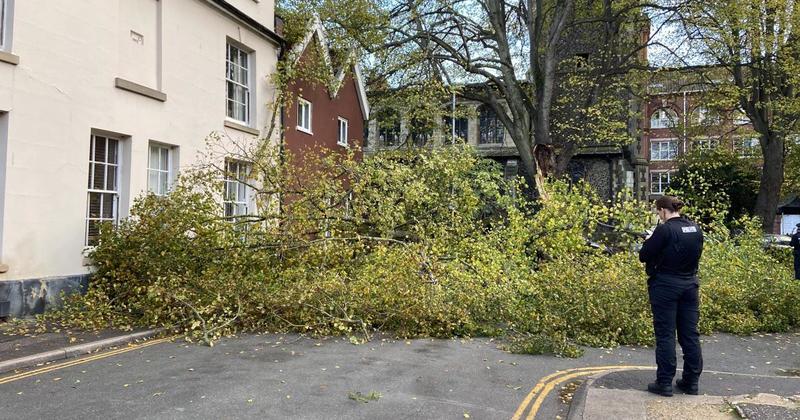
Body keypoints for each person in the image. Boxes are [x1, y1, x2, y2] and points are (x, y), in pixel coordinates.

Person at [638, 196, 704, 397]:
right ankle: (691, 382)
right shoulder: (695, 228)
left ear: (663, 210)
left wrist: (650, 241)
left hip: (666, 285)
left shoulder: (664, 229)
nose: (659, 216)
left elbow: (644, 255)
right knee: (689, 334)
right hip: (690, 285)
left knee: (666, 334)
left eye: (658, 212)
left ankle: (664, 382)